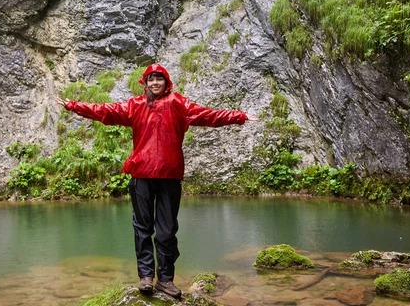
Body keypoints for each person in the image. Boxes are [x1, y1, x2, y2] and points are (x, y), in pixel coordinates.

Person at [56, 64, 258, 298]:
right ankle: (145, 277)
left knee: (167, 231)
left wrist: (240, 116)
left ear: (166, 82)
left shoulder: (178, 104)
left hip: (170, 175)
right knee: (142, 228)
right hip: (141, 174)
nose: (155, 83)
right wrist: (73, 106)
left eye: (159, 79)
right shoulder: (135, 105)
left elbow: (209, 115)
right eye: (151, 80)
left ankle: (165, 280)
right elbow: (105, 111)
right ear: (146, 82)